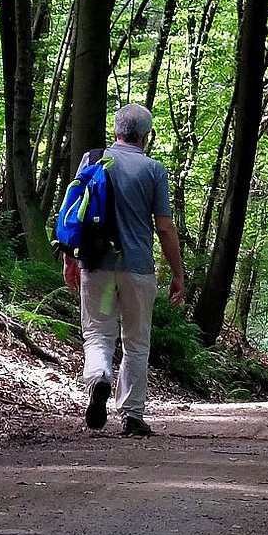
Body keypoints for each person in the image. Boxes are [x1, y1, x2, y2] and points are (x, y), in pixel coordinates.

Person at [63, 104, 187, 437]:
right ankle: (132, 415)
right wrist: (177, 273)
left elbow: (75, 213)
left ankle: (99, 378)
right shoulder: (153, 170)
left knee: (97, 334)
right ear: (147, 135)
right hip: (137, 270)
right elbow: (164, 227)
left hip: (97, 267)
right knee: (136, 342)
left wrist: (70, 259)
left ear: (115, 130)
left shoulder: (93, 159)